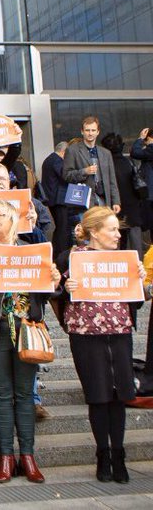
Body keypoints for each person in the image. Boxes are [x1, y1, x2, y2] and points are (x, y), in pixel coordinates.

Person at [55, 207, 149, 483]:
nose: (117, 235)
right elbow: (54, 291)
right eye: (111, 229)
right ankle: (102, 454)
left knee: (120, 394)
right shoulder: (71, 258)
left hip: (119, 332)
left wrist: (139, 282)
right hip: (86, 334)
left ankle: (119, 454)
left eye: (117, 229)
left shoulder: (125, 259)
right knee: (98, 395)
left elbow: (137, 301)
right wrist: (66, 287)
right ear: (94, 232)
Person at [0, 200, 60, 483]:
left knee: (24, 395)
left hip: (25, 329)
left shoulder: (30, 251)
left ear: (14, 220)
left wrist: (54, 281)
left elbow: (45, 295)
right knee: (0, 394)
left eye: (0, 214)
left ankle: (28, 457)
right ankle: (6, 457)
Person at [62, 116, 122, 212]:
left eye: (93, 130)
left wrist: (116, 201)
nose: (90, 133)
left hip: (104, 201)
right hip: (83, 202)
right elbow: (66, 176)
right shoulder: (72, 150)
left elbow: (112, 180)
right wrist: (84, 171)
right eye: (87, 130)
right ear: (82, 131)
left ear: (98, 132)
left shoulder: (106, 153)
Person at [100, 133, 144, 254]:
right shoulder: (128, 162)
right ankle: (138, 266)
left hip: (113, 206)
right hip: (132, 205)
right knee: (136, 241)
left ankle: (119, 267)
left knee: (116, 241)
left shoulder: (104, 165)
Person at [40, 142, 71, 255]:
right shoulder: (57, 160)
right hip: (59, 199)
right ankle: (62, 252)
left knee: (60, 227)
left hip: (52, 198)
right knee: (63, 227)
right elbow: (65, 176)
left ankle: (58, 251)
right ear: (64, 152)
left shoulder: (49, 159)